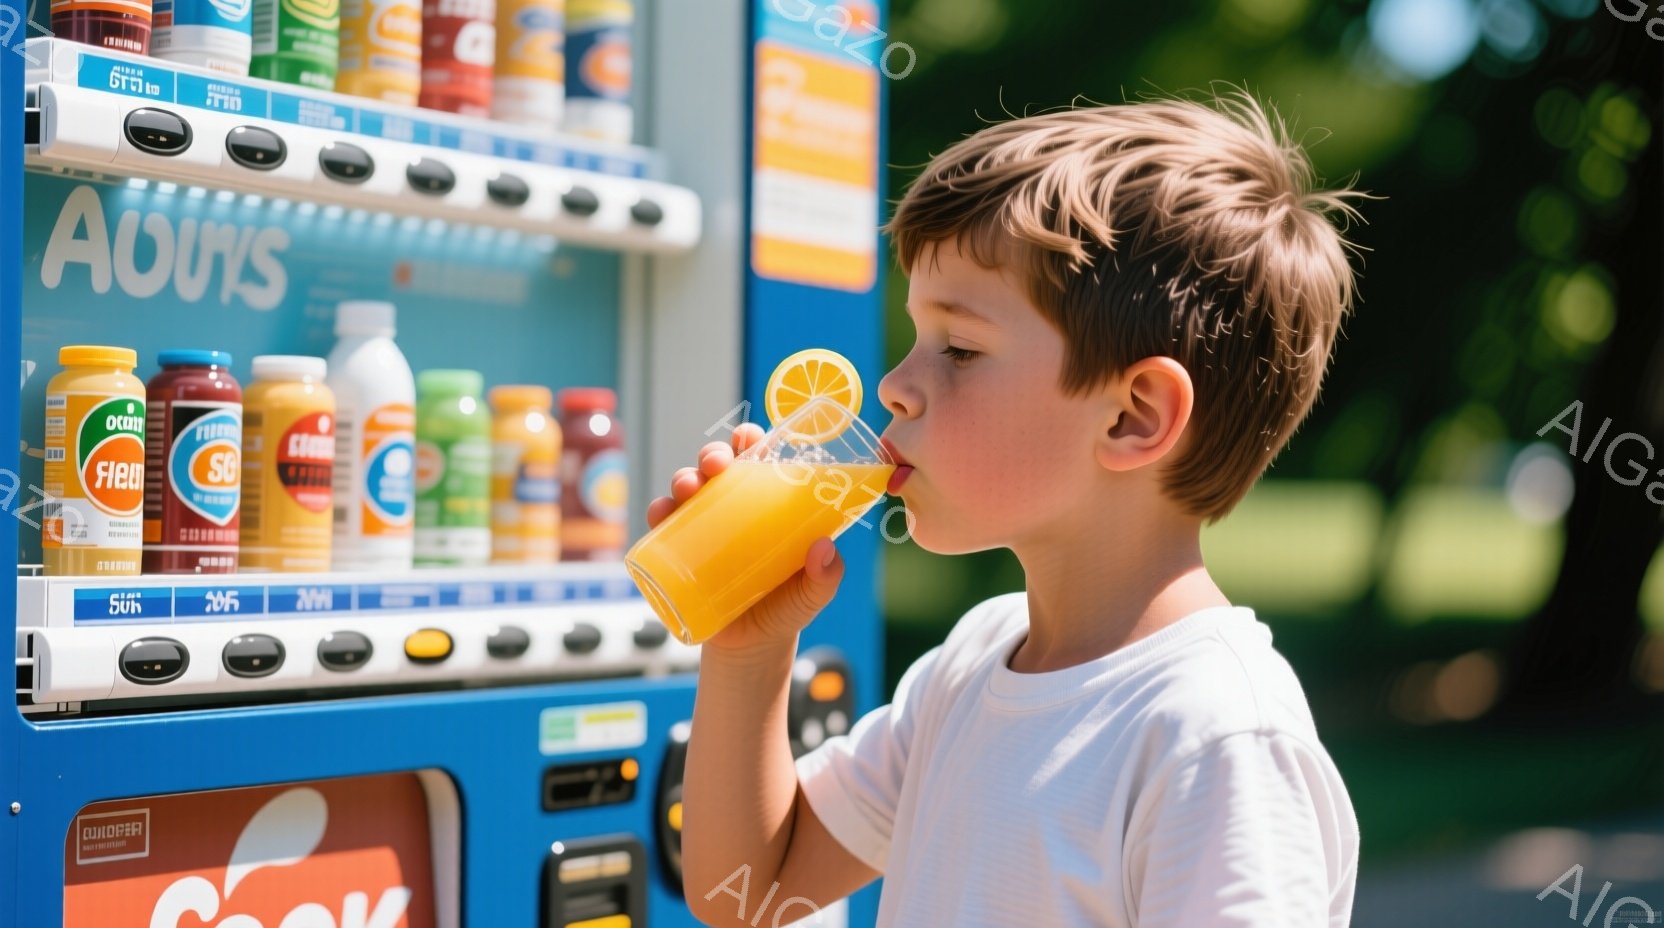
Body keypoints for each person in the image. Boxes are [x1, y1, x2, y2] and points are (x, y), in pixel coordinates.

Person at [662, 90, 1367, 927]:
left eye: (958, 349)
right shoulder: (971, 666)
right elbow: (751, 890)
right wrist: (752, 651)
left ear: (1133, 415)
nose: (893, 387)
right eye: (917, 339)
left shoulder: (1216, 741)